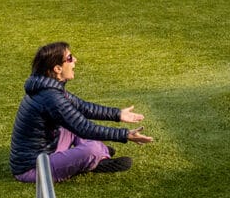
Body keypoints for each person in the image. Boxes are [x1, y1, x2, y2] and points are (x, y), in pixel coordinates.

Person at [9, 41, 154, 182]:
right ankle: (95, 157)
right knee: (90, 149)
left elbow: (82, 107)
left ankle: (95, 156)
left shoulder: (48, 88)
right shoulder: (50, 96)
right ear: (57, 68)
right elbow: (84, 128)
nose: (75, 61)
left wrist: (118, 114)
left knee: (72, 123)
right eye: (70, 58)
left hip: (47, 150)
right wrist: (125, 135)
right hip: (34, 168)